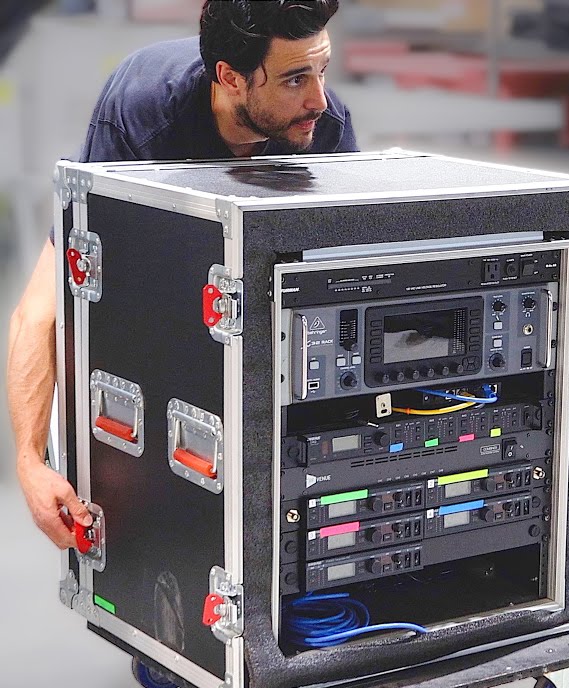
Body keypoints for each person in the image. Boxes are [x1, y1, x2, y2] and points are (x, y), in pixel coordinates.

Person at [6, 0, 357, 550]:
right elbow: (41, 308)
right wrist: (30, 462)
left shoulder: (325, 131)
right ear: (230, 78)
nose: (319, 99)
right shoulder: (140, 123)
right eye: (295, 79)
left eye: (322, 71)